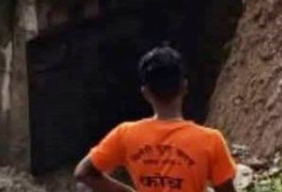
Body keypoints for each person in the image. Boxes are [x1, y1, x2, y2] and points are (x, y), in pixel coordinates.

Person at [75, 46, 237, 192]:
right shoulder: (211, 140)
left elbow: (83, 172)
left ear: (146, 93)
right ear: (184, 87)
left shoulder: (125, 134)